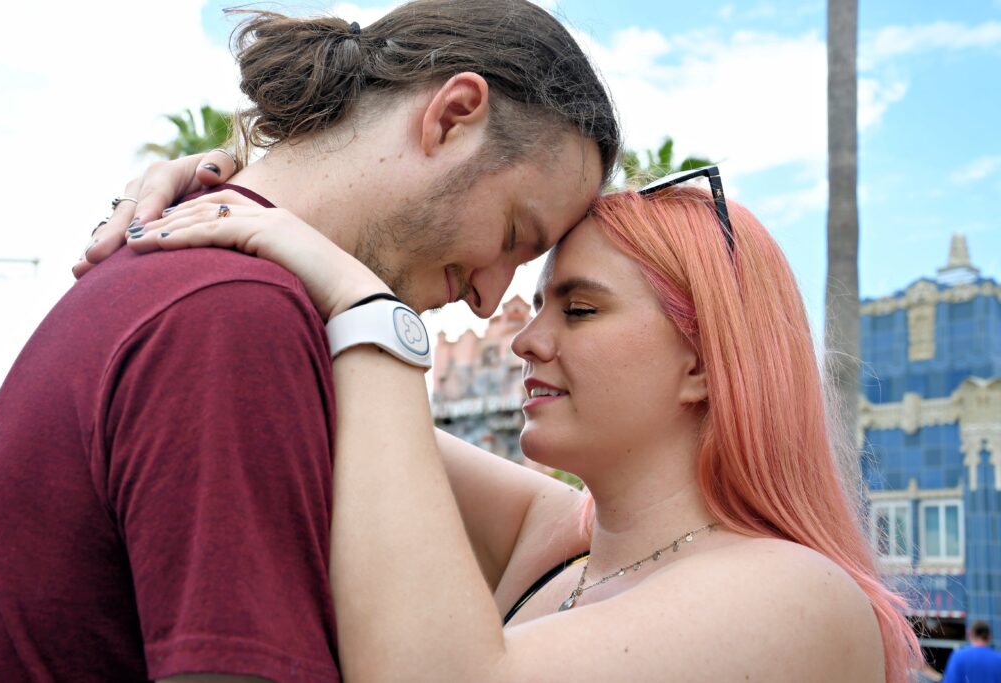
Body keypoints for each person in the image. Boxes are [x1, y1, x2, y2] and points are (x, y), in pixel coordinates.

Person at [0, 2, 618, 681]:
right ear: (453, 117)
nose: (490, 298)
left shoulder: (198, 286)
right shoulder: (235, 316)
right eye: (515, 234)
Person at [113, 170, 923, 681]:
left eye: (578, 308)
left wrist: (376, 318)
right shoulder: (562, 542)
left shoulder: (796, 594)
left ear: (704, 364)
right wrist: (241, 191)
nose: (528, 339)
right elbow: (307, 400)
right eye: (539, 305)